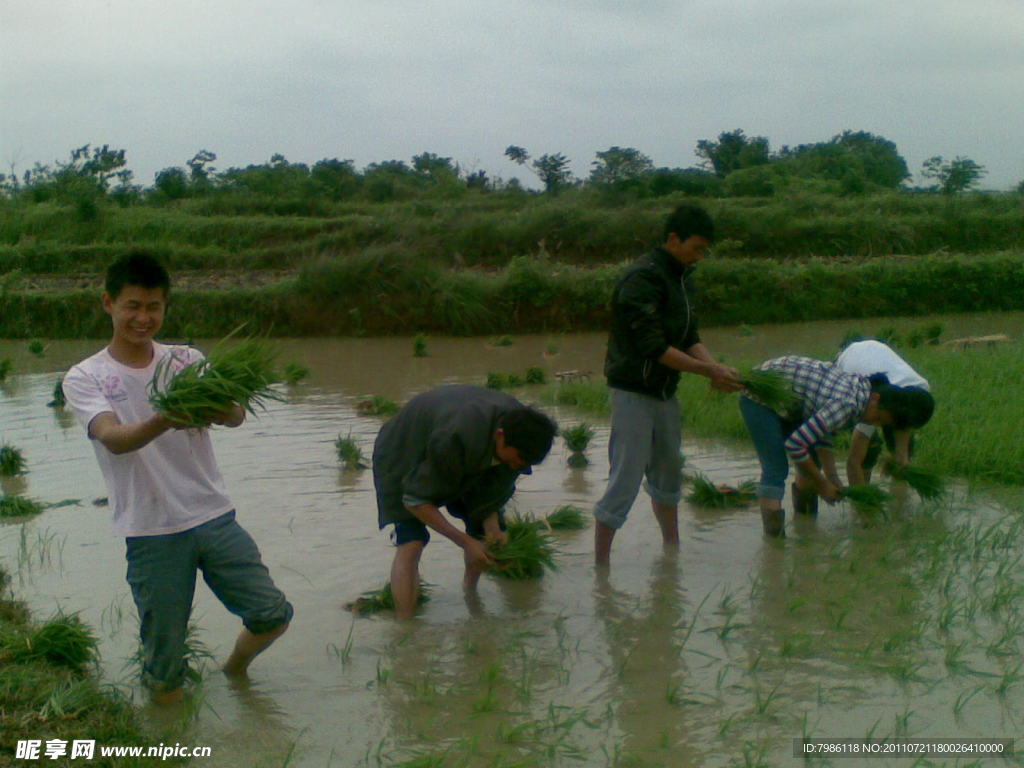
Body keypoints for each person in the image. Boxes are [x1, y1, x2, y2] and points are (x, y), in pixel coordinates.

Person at [63, 251, 292, 704]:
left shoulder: (187, 360)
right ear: (108, 303)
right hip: (151, 532)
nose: (143, 318)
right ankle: (167, 733)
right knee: (165, 667)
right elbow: (113, 438)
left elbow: (236, 416)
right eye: (133, 306)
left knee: (272, 614)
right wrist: (166, 417)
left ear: (166, 307)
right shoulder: (86, 376)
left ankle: (233, 673)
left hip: (213, 516)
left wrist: (222, 409)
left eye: (154, 307)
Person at [594, 203, 742, 566]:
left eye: (704, 250)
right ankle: (600, 567)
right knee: (625, 477)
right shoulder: (641, 280)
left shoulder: (681, 280)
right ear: (673, 239)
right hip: (633, 392)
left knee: (669, 471)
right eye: (696, 248)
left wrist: (716, 366)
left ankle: (671, 551)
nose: (699, 257)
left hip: (664, 393)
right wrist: (709, 373)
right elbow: (653, 346)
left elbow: (689, 336)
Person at [372, 385, 557, 618]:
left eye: (523, 464)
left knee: (483, 536)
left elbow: (491, 494)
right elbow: (415, 500)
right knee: (412, 541)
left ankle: (471, 598)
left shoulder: (521, 438)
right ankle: (406, 629)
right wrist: (465, 542)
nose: (518, 467)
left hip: (464, 445)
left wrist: (492, 529)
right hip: (405, 450)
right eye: (518, 461)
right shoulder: (456, 436)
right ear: (500, 436)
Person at [739, 355, 935, 536]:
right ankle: (774, 544)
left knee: (812, 462)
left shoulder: (862, 397)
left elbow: (822, 432)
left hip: (793, 398)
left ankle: (805, 526)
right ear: (876, 399)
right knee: (776, 468)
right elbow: (795, 445)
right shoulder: (847, 404)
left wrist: (831, 475)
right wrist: (822, 482)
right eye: (878, 418)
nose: (875, 424)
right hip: (761, 398)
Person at [834, 339, 932, 487]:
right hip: (850, 359)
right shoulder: (868, 406)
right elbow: (853, 462)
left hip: (877, 351)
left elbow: (904, 425)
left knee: (903, 456)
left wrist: (901, 456)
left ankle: (899, 495)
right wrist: (863, 500)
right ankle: (865, 485)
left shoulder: (920, 392)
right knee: (868, 450)